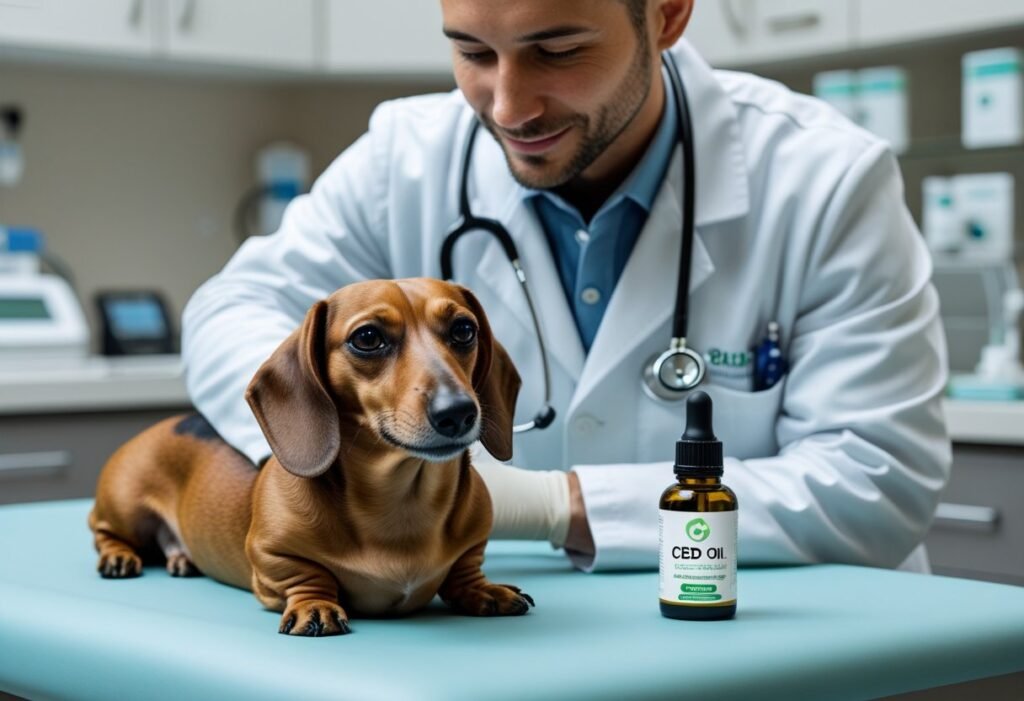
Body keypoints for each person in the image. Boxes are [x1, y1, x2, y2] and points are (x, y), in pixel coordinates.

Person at [182, 0, 951, 573]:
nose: (509, 107)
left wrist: (555, 506)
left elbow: (873, 480)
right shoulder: (404, 160)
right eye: (473, 52)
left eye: (556, 50)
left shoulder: (824, 178)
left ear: (667, 15)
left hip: (785, 646)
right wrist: (317, 448)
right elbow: (230, 310)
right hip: (505, 637)